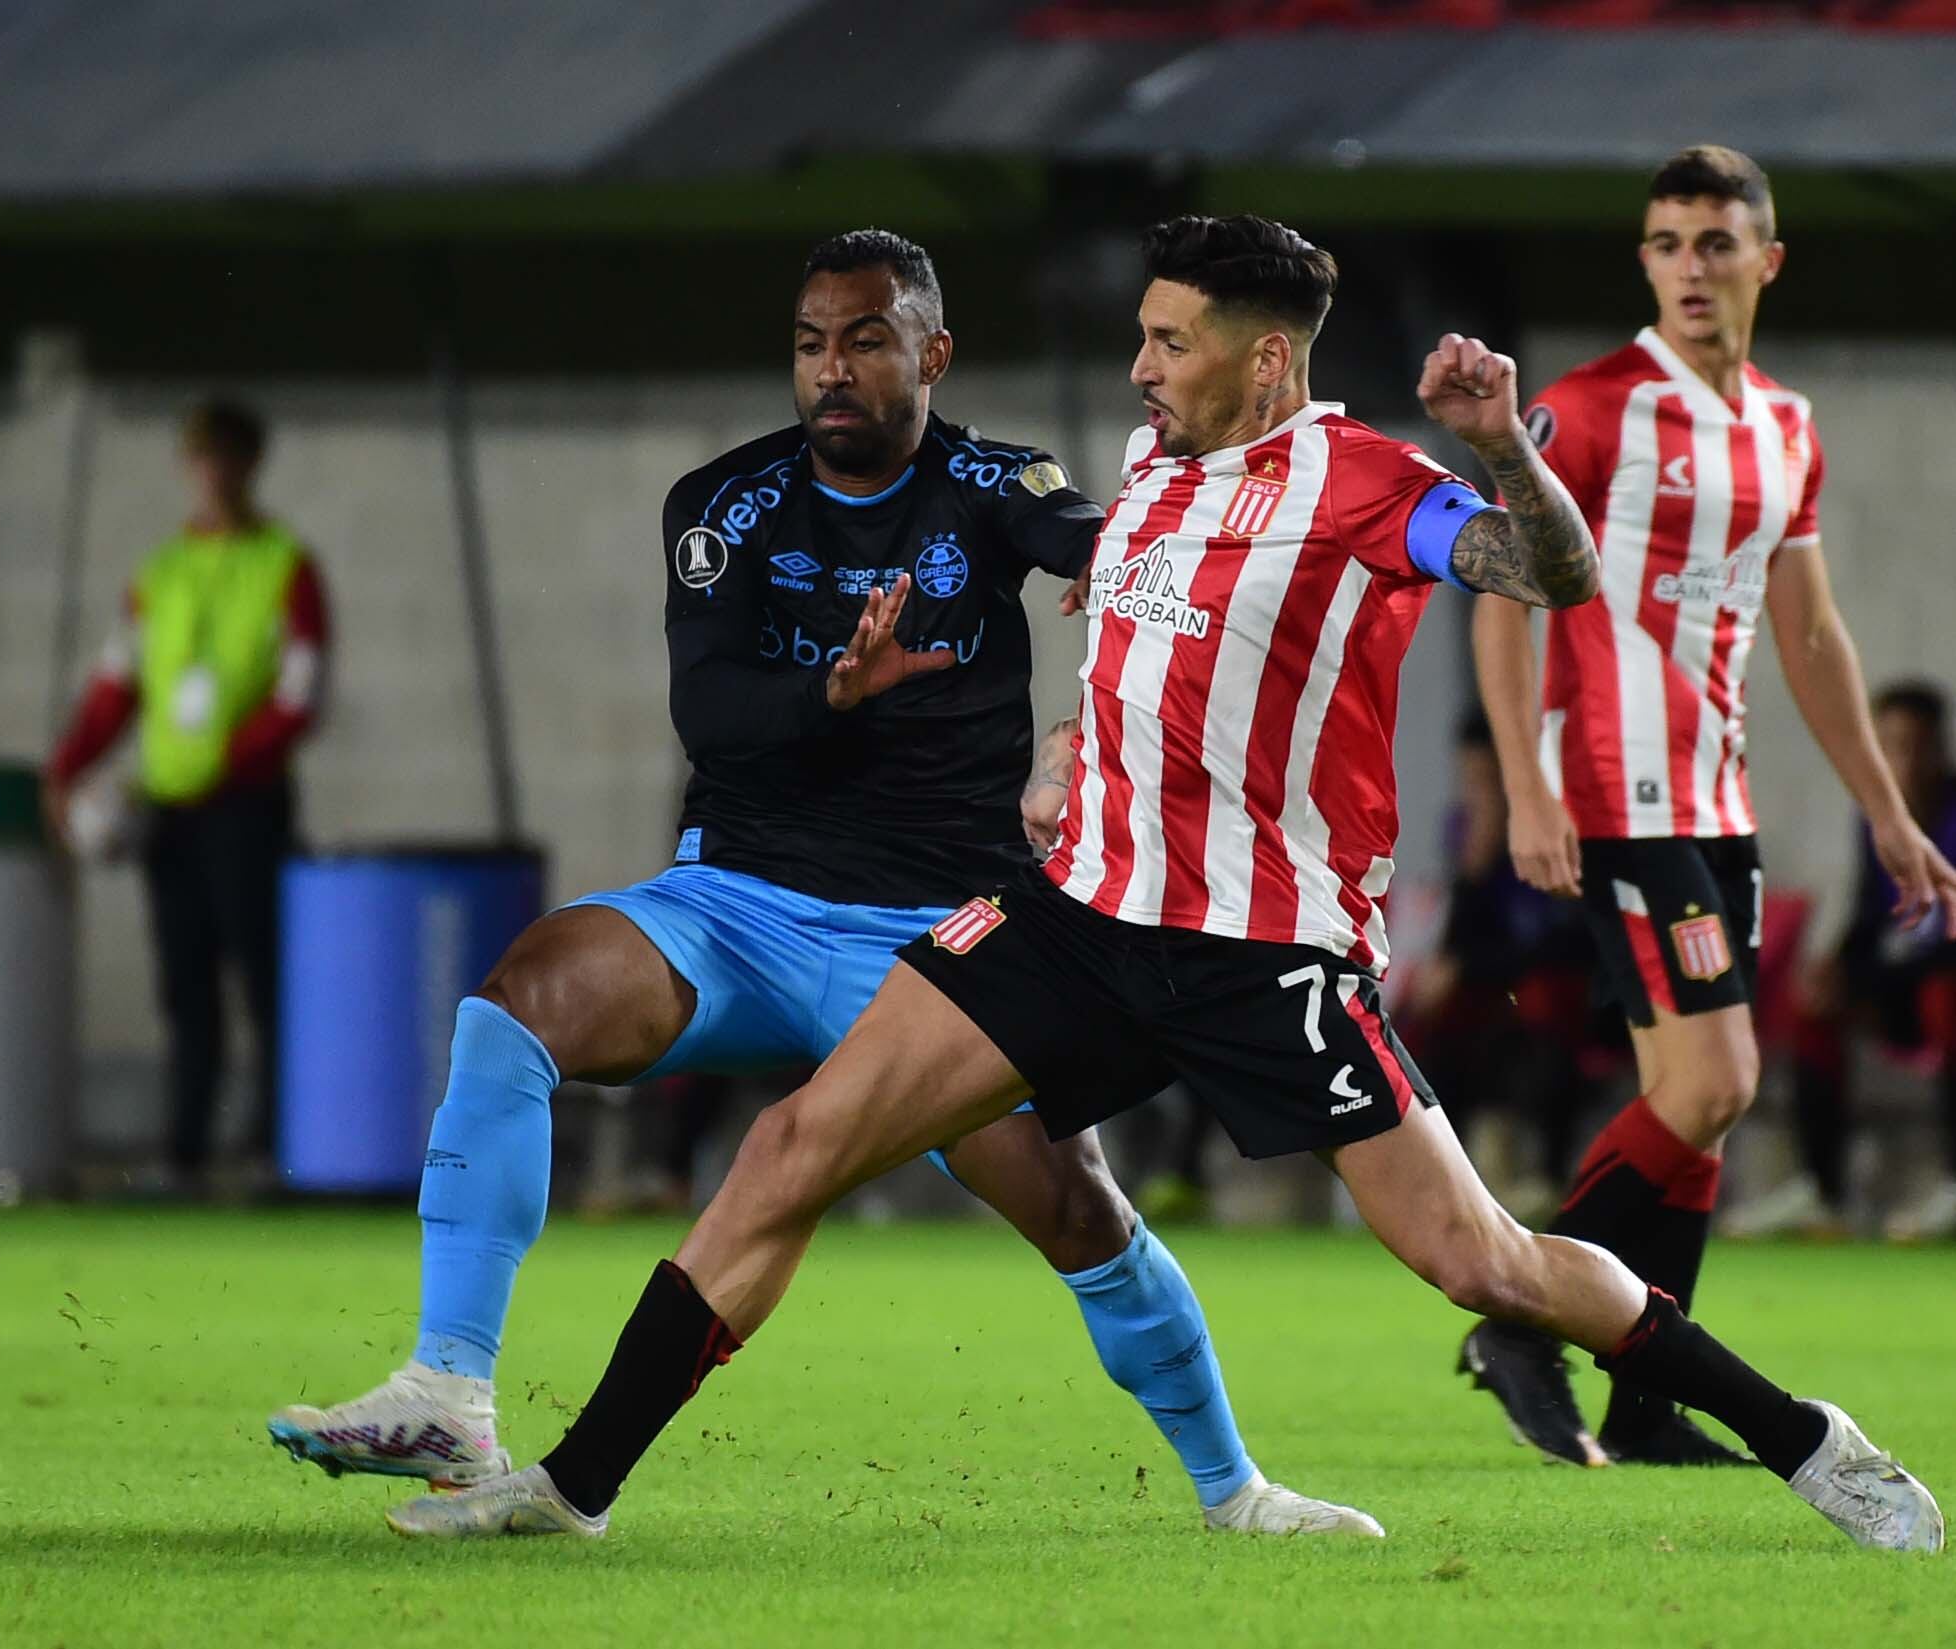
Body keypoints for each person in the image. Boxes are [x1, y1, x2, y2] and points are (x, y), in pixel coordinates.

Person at [385, 214, 1941, 1554]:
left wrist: (1505, 447)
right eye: (1142, 336)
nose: (1140, 368)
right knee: (794, 1144)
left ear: (1265, 361)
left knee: (1487, 1261)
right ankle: (570, 1488)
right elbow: (1161, 643)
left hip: (1263, 952)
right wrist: (1081, 742)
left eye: (1170, 342)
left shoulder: (1367, 484)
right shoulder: (1149, 463)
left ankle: (1808, 1437)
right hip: (1076, 915)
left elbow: (1552, 575)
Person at [273, 229, 1378, 1538]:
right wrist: (832, 690)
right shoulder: (722, 505)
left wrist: (1119, 556)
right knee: (517, 1003)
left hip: (943, 930)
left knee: (1072, 1203)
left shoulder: (990, 481)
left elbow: (1073, 523)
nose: (832, 369)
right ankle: (449, 1387)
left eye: (865, 339)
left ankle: (1230, 1490)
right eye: (811, 343)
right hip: (737, 906)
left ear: (933, 353)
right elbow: (713, 714)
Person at [1461, 146, 1956, 1468]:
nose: (1691, 265)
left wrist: (1889, 816)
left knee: (1705, 1101)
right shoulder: (1589, 407)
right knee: (1715, 1074)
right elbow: (1502, 598)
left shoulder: (1786, 426)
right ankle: (1519, 1309)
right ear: (1645, 260)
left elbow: (1811, 634)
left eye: (1716, 242)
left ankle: (1641, 1400)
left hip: (1714, 793)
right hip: (1615, 792)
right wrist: (1526, 787)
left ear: (1766, 259)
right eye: (1669, 241)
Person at [46, 400, 331, 1188]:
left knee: (266, 977)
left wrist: (232, 762)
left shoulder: (283, 566)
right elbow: (117, 683)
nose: (213, 474)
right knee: (183, 979)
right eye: (201, 458)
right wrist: (68, 765)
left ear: (249, 465)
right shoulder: (160, 575)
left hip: (246, 805)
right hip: (168, 809)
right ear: (188, 467)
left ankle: (281, 1147)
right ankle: (186, 1149)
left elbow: (301, 694)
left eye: (227, 458)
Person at [1734, 681, 1956, 1241]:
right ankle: (1823, 1193)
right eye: (1890, 747)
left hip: (1935, 981)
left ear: (1938, 752)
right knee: (1812, 1006)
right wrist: (1834, 966)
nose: (1902, 763)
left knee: (1945, 999)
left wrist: (1872, 975)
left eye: (1915, 747)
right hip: (1893, 981)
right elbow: (1866, 917)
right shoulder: (1875, 821)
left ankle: (1951, 1185)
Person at [1400, 709, 1600, 1215]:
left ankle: (1544, 1174)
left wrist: (1469, 967)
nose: (1477, 793)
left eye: (1486, 780)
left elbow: (1568, 935)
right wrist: (1475, 866)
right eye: (1468, 780)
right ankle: (1443, 1175)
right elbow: (1464, 936)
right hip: (1493, 980)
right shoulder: (1467, 832)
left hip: (1559, 980)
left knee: (1535, 1008)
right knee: (1425, 1017)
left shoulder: (1554, 825)